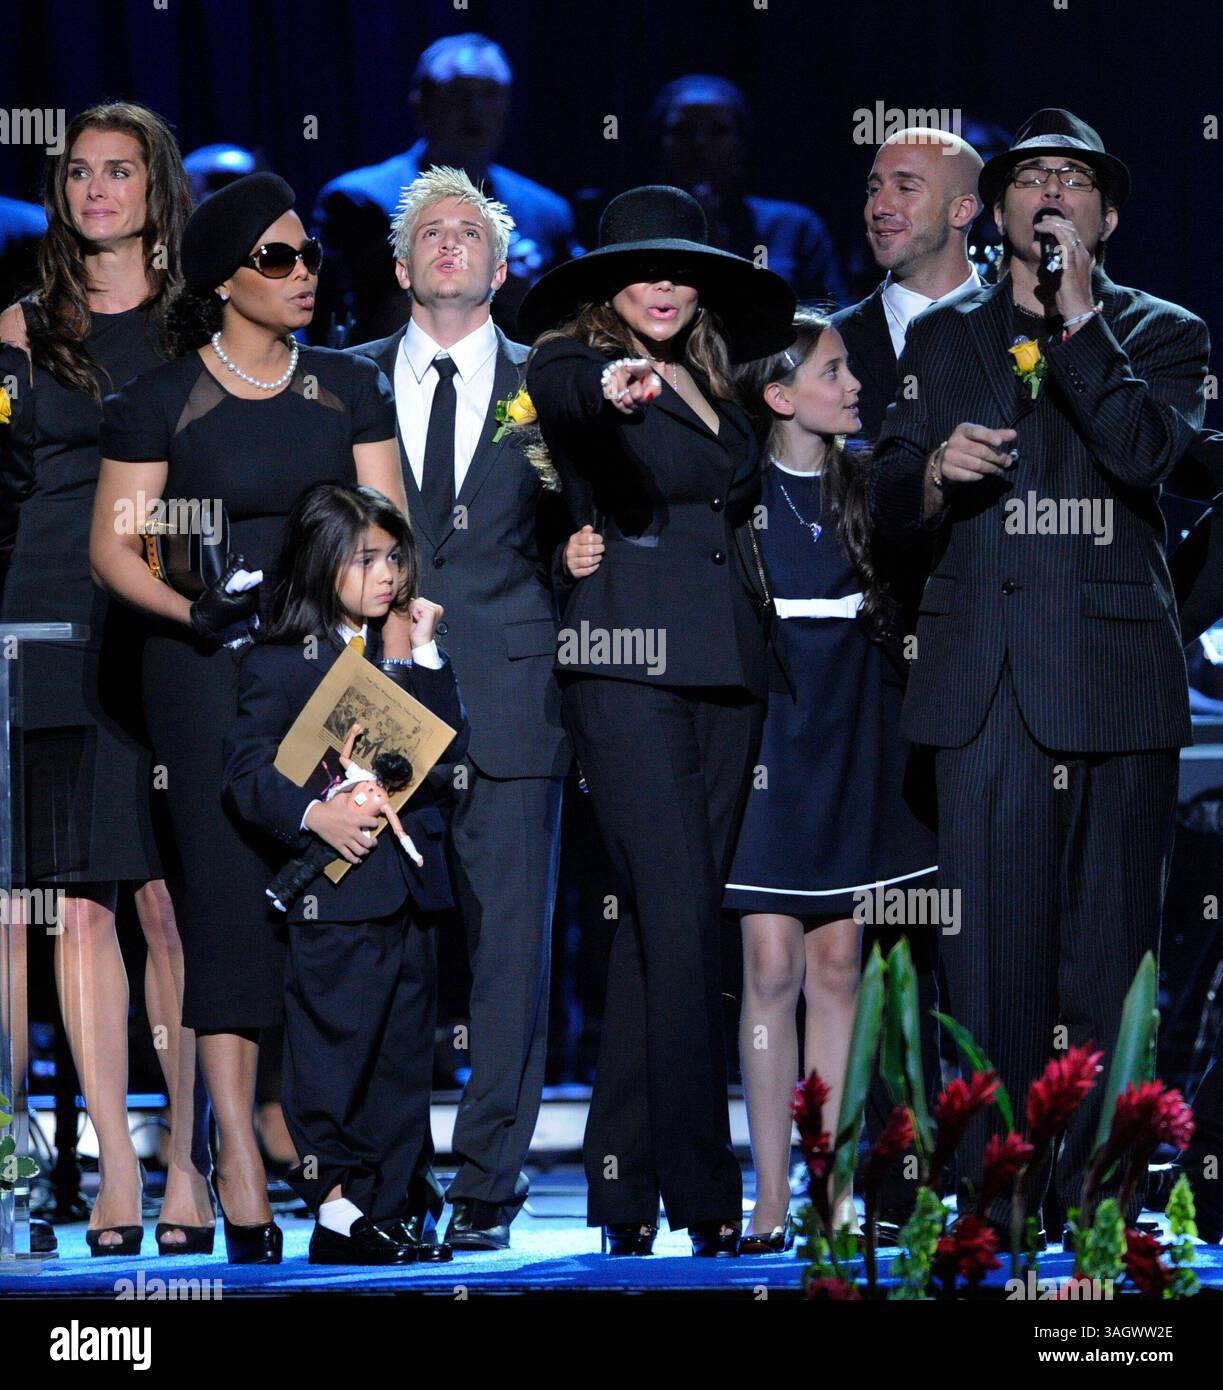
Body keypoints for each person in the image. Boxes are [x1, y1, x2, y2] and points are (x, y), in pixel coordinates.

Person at [870, 109, 1211, 1237]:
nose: (1048, 194)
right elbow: (886, 511)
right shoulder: (937, 342)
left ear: (1103, 216)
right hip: (981, 691)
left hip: (1109, 678)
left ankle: (1102, 1196)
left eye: (1071, 180)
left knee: (1106, 962)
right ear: (997, 211)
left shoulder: (1161, 332)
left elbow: (1155, 456)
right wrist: (932, 479)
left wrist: (1076, 327)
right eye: (1029, 179)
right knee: (988, 964)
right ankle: (996, 1196)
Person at [90, 171, 408, 1263]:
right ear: (225, 280)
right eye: (276, 259)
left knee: (328, 921)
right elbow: (113, 547)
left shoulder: (345, 389)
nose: (304, 274)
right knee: (226, 928)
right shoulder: (162, 401)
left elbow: (388, 533)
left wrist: (390, 668)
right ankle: (230, 1165)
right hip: (208, 673)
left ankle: (330, 1163)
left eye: (308, 253)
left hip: (326, 677)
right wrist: (196, 610)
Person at [521, 184, 794, 1256]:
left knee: (653, 929)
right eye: (644, 269)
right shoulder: (576, 363)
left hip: (728, 671)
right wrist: (612, 386)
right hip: (625, 666)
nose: (664, 286)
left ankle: (620, 1186)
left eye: (681, 269)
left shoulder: (723, 380)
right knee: (684, 923)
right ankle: (700, 1188)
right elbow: (568, 394)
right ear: (606, 288)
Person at [0, 102, 212, 1257]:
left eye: (117, 172)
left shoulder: (194, 325)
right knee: (73, 903)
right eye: (78, 173)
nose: (95, 192)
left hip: (155, 628)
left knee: (167, 902)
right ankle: (115, 1173)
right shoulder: (24, 328)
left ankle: (188, 1160)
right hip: (38, 624)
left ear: (152, 187)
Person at [352, 165, 568, 1251]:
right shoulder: (340, 382)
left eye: (467, 232)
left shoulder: (551, 380)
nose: (447, 244)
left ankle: (489, 1176)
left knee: (506, 951)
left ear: (499, 263)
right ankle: (376, 1175)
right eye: (428, 232)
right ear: (399, 266)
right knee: (370, 941)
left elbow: (595, 523)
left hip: (511, 689)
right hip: (374, 697)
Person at [723, 310, 936, 1251]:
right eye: (834, 371)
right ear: (778, 396)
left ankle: (831, 1191)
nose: (854, 385)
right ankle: (769, 1196)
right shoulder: (735, 495)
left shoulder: (866, 489)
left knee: (839, 964)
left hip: (854, 733)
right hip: (771, 736)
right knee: (769, 965)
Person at [223, 482, 468, 1264]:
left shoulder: (402, 650)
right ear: (325, 563)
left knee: (401, 1057)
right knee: (336, 1052)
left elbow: (445, 756)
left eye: (394, 556)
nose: (388, 573)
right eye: (366, 559)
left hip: (406, 887)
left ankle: (390, 1206)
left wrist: (420, 655)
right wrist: (313, 813)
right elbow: (247, 772)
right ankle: (337, 1213)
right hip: (333, 890)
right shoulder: (283, 657)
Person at [829, 126, 983, 1233]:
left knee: (985, 927)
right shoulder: (821, 347)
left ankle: (993, 1163)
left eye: (907, 185)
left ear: (966, 208)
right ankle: (890, 1176)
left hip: (991, 674)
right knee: (877, 933)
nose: (880, 202)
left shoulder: (1017, 334)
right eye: (873, 183)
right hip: (855, 684)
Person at [312, 32, 575, 344]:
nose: (474, 109)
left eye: (489, 94)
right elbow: (333, 320)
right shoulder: (359, 201)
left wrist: (529, 298)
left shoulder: (546, 212)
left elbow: (568, 331)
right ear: (421, 104)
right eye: (457, 94)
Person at [650, 75, 848, 305]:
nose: (699, 143)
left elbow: (832, 320)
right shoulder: (632, 222)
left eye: (718, 131)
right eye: (683, 131)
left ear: (742, 142)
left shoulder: (793, 227)